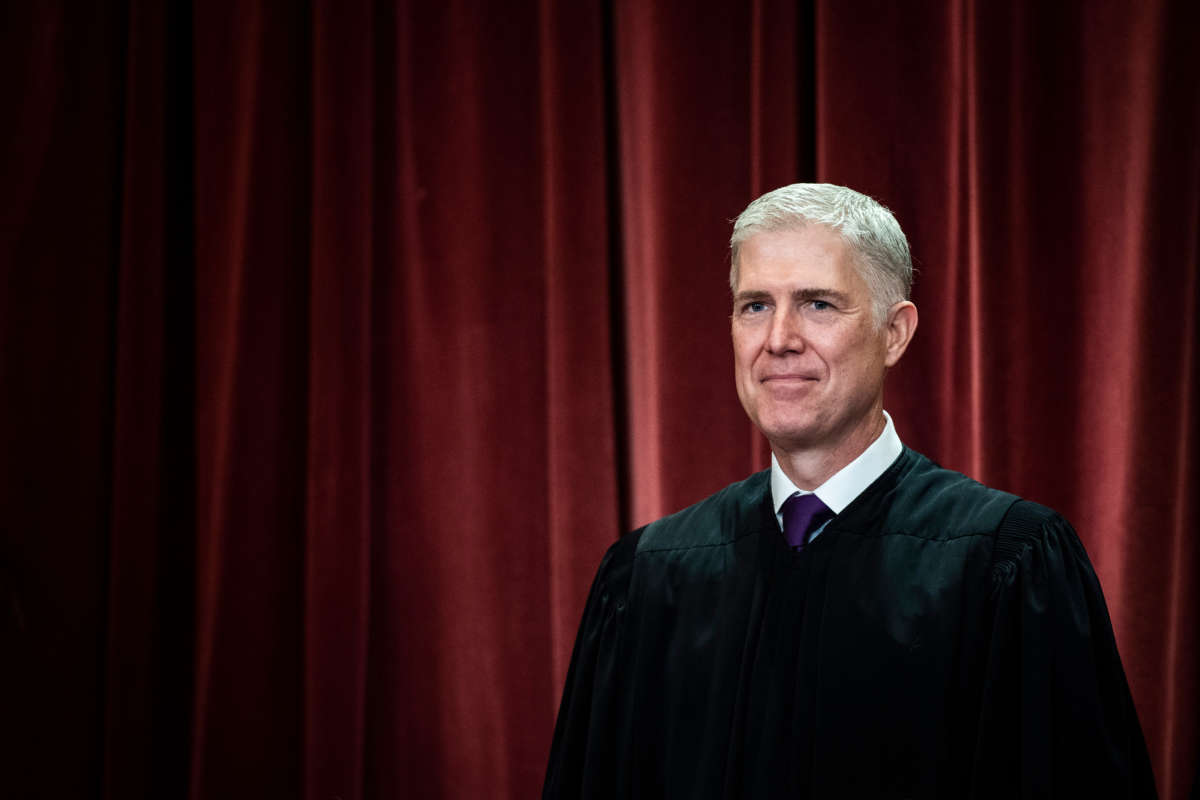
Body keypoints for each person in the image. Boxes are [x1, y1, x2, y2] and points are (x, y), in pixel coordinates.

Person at [543, 184, 1156, 798]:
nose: (779, 338)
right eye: (755, 305)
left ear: (895, 333)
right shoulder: (646, 579)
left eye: (817, 304)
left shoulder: (1005, 564)